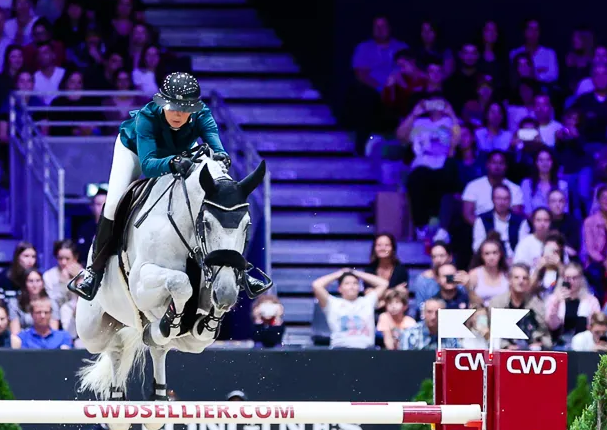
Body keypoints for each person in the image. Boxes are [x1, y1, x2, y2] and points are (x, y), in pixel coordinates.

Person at [69, 72, 269, 300]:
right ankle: (94, 272)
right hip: (135, 151)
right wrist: (174, 162)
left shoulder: (202, 114)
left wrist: (221, 157)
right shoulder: (147, 118)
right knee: (113, 203)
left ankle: (240, 270)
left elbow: (215, 142)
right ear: (163, 103)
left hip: (179, 150)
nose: (178, 114)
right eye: (173, 107)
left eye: (184, 109)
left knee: (212, 196)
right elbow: (149, 165)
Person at [312, 270, 387, 349]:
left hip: (366, 351)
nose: (351, 286)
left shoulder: (367, 301)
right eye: (347, 283)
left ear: (359, 287)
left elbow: (384, 283)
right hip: (340, 350)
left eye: (355, 283)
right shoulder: (332, 303)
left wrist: (355, 273)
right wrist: (339, 273)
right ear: (340, 288)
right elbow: (316, 285)